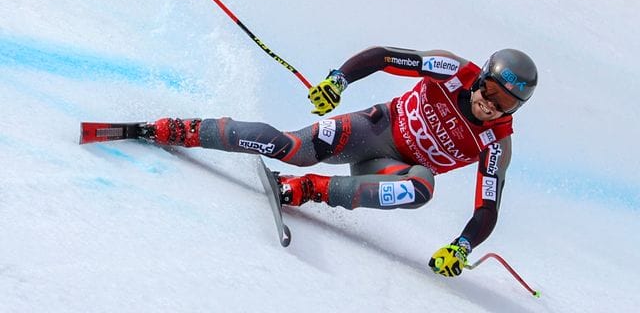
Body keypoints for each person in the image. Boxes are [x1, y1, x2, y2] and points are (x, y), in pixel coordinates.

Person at [143, 46, 538, 278]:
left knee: (420, 188)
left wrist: (463, 247)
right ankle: (179, 130)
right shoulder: (452, 71)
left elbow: (488, 207)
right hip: (370, 130)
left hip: (385, 170)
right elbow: (384, 57)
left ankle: (308, 190)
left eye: (505, 103)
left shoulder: (496, 143)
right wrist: (338, 81)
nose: (490, 104)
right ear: (481, 76)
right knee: (289, 148)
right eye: (489, 90)